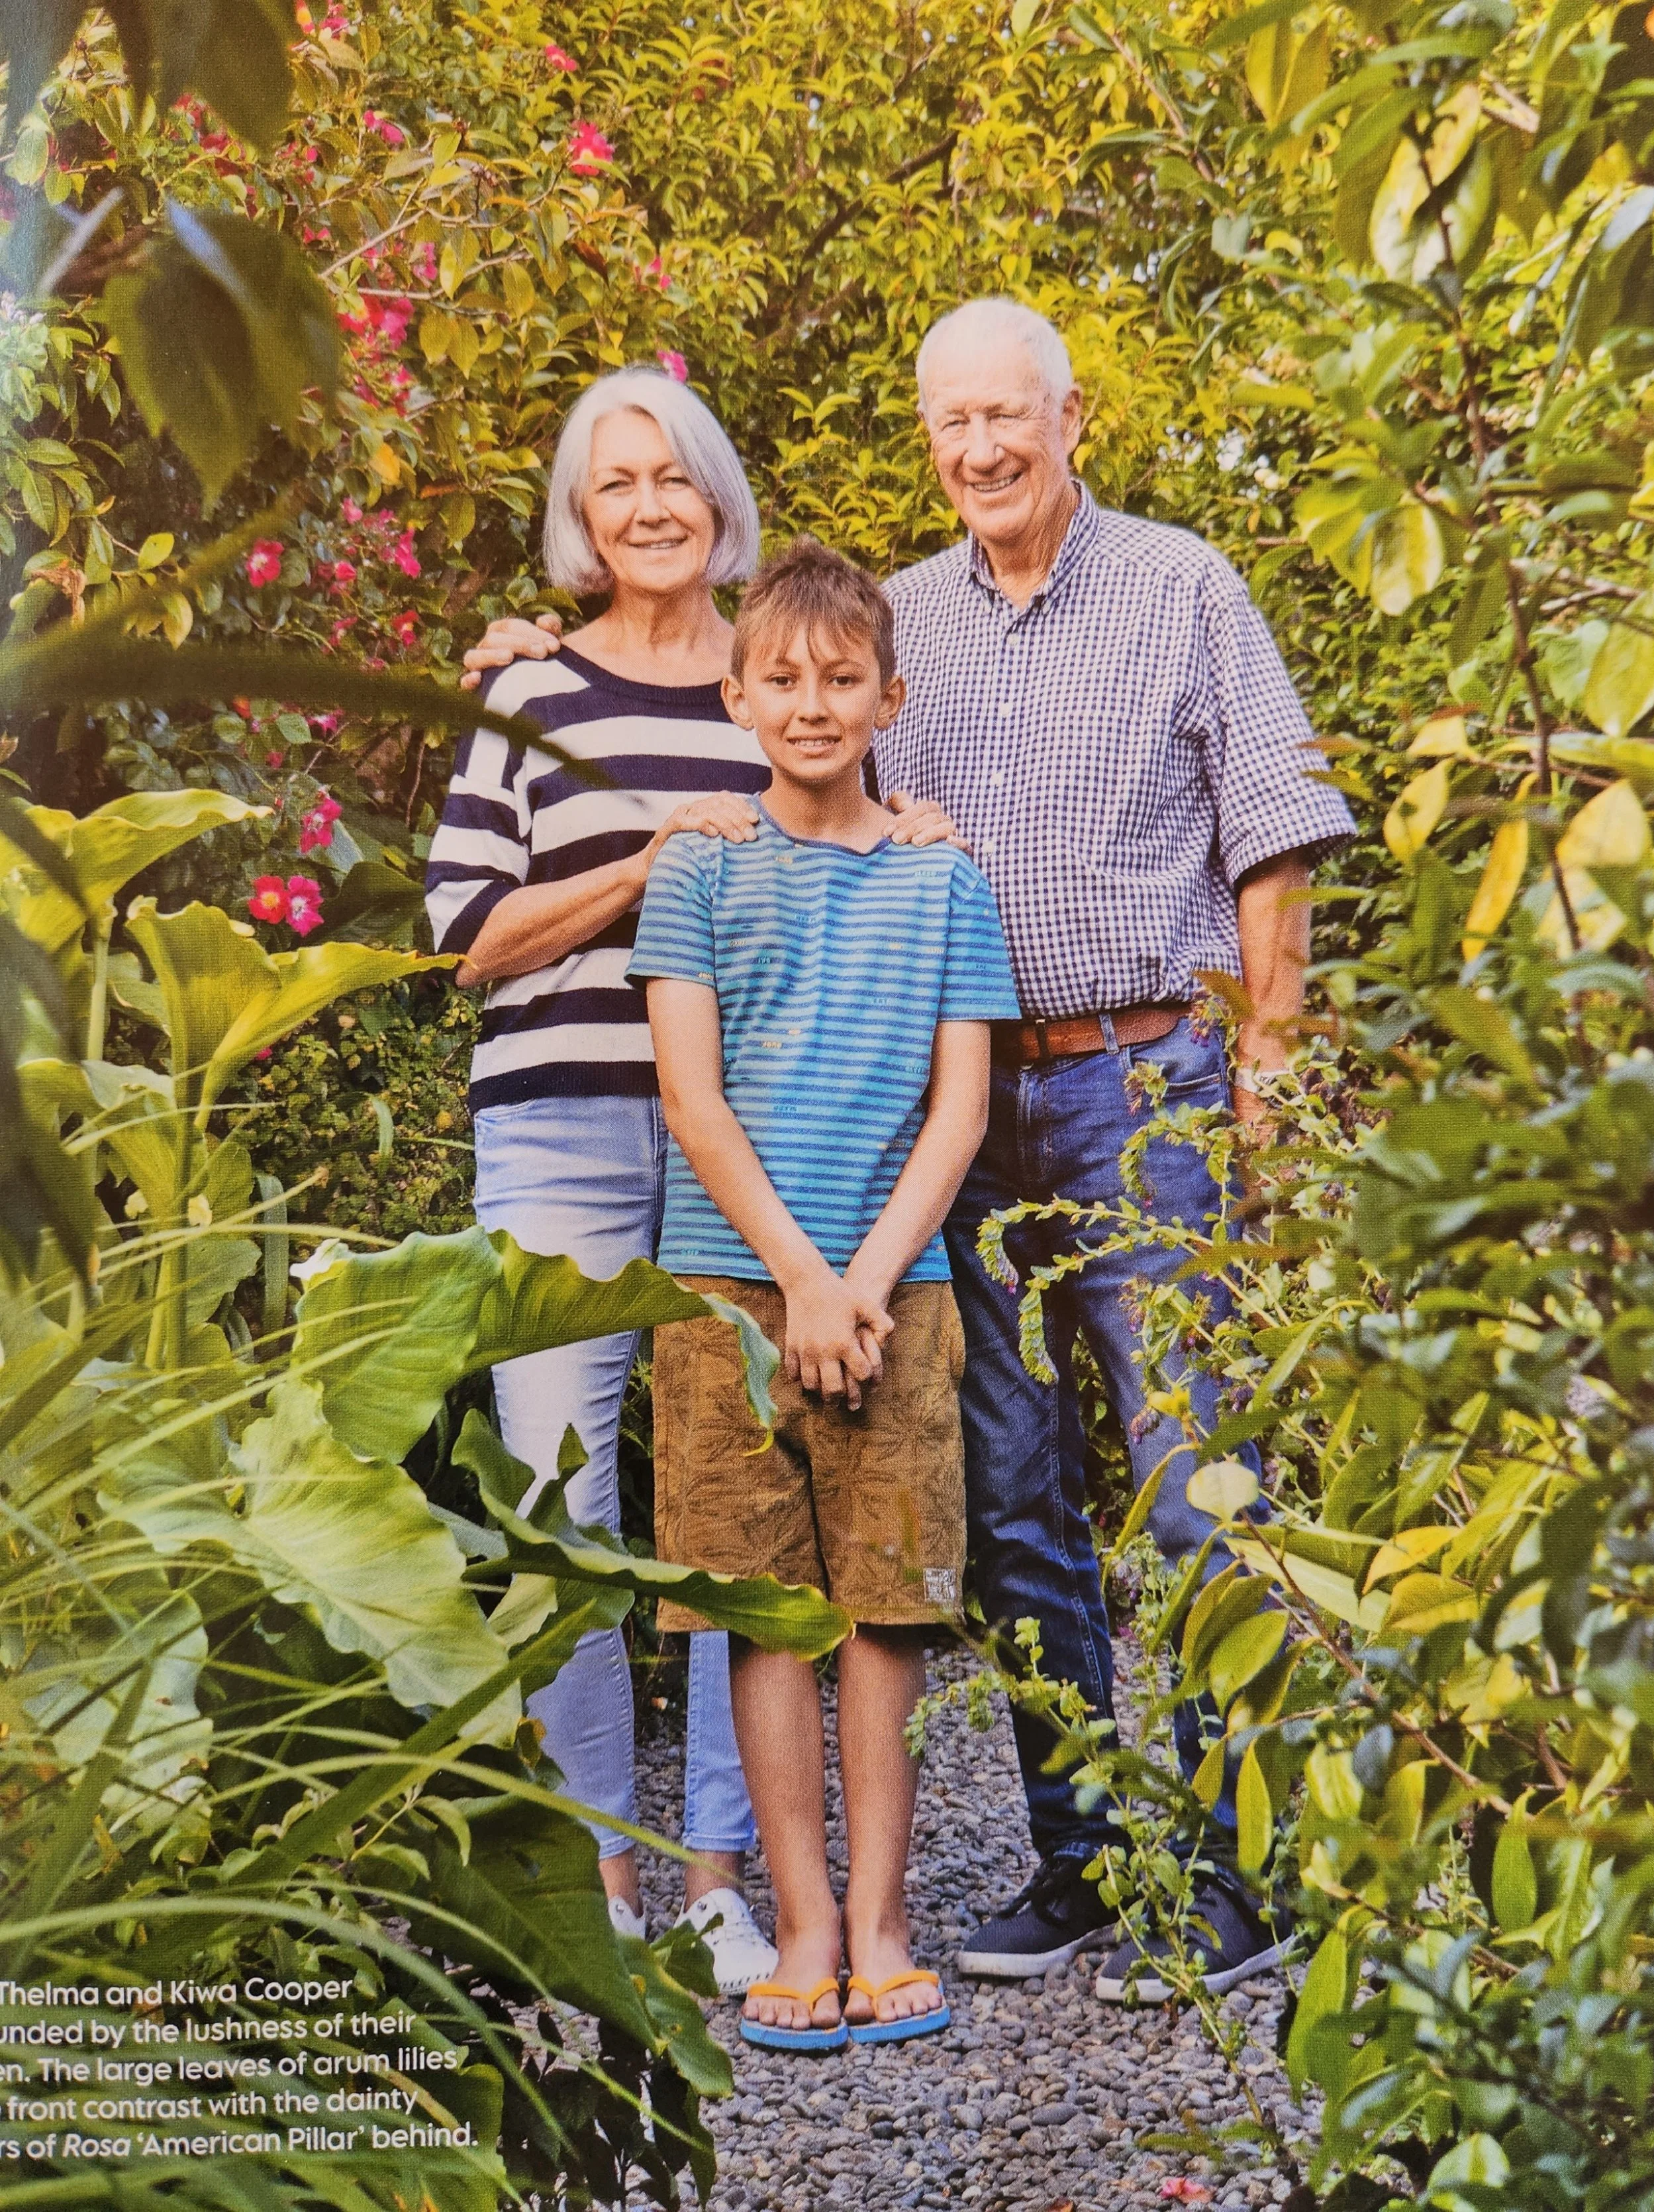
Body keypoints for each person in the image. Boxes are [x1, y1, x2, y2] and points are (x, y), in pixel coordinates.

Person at [463, 299, 1357, 2001]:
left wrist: (1266, 1051)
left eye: (1006, 417)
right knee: (1014, 1500)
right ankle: (1086, 1856)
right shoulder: (909, 620)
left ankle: (1241, 1873)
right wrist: (527, 643)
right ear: (930, 438)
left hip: (1135, 1082)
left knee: (1185, 1477)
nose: (980, 450)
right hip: (958, 1122)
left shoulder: (1180, 584)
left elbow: (1273, 815)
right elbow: (760, 695)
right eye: (951, 424)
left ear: (1068, 416)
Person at [629, 539, 1022, 2051]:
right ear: (735, 696)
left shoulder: (941, 877)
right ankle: (797, 1922)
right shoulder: (699, 873)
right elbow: (689, 1095)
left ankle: (881, 1920)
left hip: (893, 1287)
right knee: (765, 1610)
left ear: (886, 695)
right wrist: (797, 1278)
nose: (810, 704)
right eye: (780, 680)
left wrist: (858, 1281)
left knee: (886, 1609)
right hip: (733, 1288)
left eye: (839, 679)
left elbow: (958, 1112)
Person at [424, 366, 779, 1992]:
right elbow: (460, 945)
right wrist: (641, 868)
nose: (647, 506)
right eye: (613, 483)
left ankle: (715, 1867)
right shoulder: (527, 700)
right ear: (580, 519)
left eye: (673, 477)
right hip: (557, 1124)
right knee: (564, 1503)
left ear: (716, 500)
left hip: (740, 1135)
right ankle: (596, 1874)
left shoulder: (770, 687)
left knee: (726, 1504)